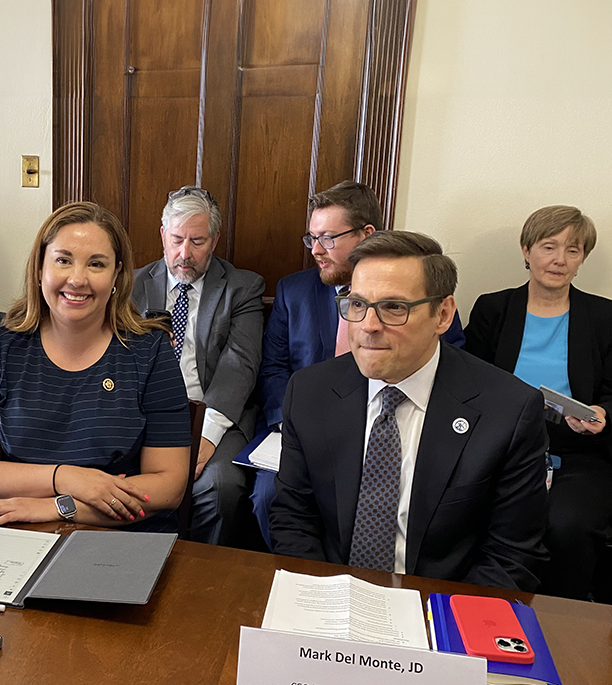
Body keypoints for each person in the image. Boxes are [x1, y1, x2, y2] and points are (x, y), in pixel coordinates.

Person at [270, 231, 549, 591]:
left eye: (394, 307)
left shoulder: (509, 410)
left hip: (442, 609)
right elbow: (293, 518)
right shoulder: (309, 392)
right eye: (357, 304)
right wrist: (322, 600)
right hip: (332, 601)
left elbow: (511, 556)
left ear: (443, 314)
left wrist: (438, 625)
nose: (368, 326)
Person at [251, 181, 465, 546]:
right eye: (312, 238)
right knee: (269, 496)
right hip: (303, 429)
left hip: (396, 422)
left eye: (329, 238)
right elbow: (273, 368)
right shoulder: (294, 291)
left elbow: (452, 369)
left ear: (367, 234)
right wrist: (290, 423)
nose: (317, 250)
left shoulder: (426, 296)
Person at [0, 202, 191, 530]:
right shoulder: (1, 347)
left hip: (118, 537)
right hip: (13, 533)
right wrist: (67, 478)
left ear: (117, 276)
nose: (77, 279)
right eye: (63, 260)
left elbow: (167, 489)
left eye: (96, 264)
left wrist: (58, 506)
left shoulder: (150, 352)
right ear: (39, 269)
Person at [465, 206, 612, 599]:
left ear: (582, 259)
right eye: (549, 247)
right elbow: (467, 382)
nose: (559, 260)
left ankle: (566, 619)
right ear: (527, 251)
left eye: (573, 250)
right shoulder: (492, 309)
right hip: (499, 447)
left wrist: (603, 414)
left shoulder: (604, 316)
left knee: (567, 525)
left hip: (577, 451)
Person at [131, 186, 265, 545]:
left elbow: (240, 365)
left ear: (216, 239)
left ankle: (203, 573)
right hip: (145, 410)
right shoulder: (131, 285)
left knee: (220, 486)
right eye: (176, 240)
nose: (184, 254)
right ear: (163, 235)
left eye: (197, 241)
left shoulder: (242, 287)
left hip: (213, 410)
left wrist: (206, 434)